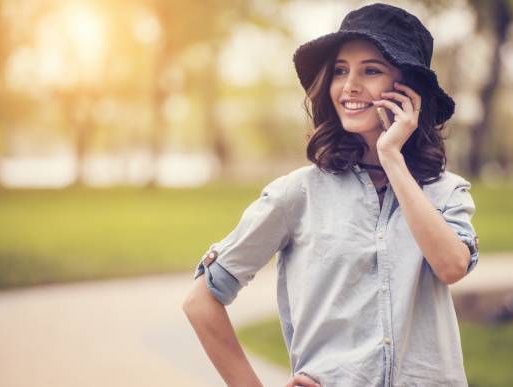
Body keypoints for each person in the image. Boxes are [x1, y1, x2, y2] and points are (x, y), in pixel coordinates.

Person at [183, 3, 480, 387]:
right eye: (341, 71)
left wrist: (392, 157)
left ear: (409, 91)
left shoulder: (446, 191)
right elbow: (200, 301)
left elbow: (451, 266)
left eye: (370, 70)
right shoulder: (297, 194)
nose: (349, 86)